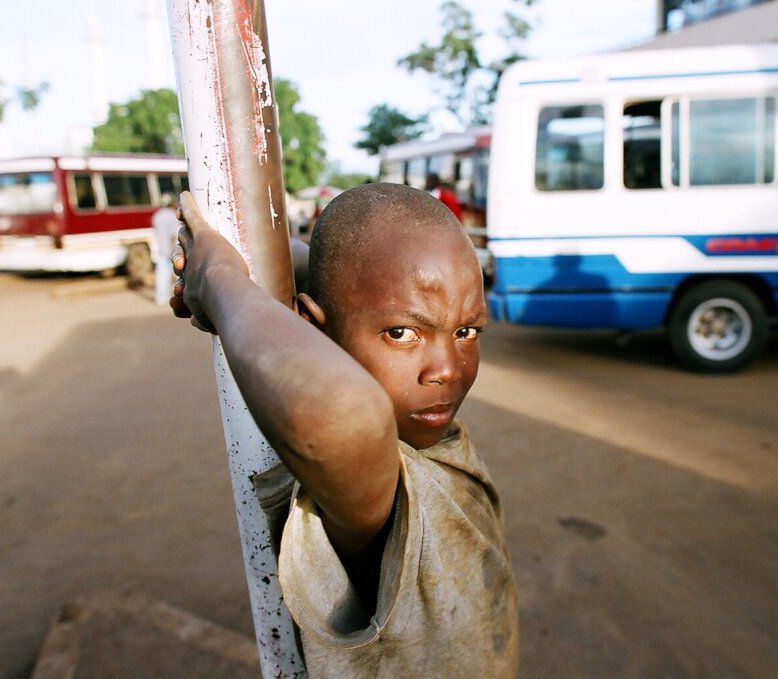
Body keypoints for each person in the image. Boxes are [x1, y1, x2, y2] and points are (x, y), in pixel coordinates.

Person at [169, 183, 518, 676]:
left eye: (466, 332)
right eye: (402, 333)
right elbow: (345, 414)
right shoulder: (374, 483)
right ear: (314, 329)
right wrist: (218, 277)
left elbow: (359, 289)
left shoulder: (433, 435)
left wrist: (239, 269)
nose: (446, 368)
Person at [152, 193, 179, 305]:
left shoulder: (157, 216)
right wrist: (173, 250)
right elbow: (174, 235)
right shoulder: (172, 215)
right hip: (171, 250)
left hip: (161, 249)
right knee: (178, 273)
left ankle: (161, 297)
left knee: (162, 273)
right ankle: (181, 295)